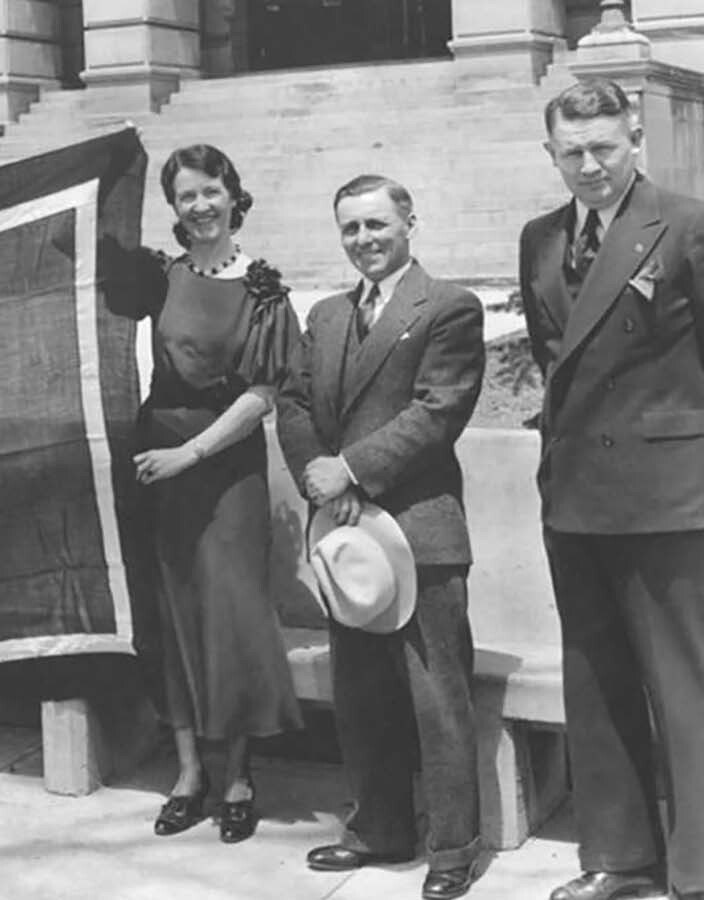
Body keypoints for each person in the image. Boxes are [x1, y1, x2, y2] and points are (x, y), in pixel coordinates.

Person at [275, 174, 485, 900]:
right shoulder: (328, 315)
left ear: (409, 223)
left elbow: (438, 411)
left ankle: (453, 846)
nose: (364, 240)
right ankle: (378, 828)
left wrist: (354, 470)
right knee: (361, 693)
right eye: (351, 229)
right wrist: (317, 477)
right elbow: (294, 402)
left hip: (418, 531)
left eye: (376, 225)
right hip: (344, 534)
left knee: (437, 697)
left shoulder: (447, 307)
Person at [520, 77, 704, 900]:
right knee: (594, 684)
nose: (589, 166)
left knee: (687, 687)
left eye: (603, 148)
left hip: (670, 493)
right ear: (550, 153)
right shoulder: (537, 238)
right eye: (572, 152)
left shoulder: (687, 223)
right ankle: (621, 860)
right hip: (577, 495)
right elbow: (552, 357)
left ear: (635, 139)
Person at [105, 144, 303, 844]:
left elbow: (262, 395)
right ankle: (189, 773)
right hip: (157, 461)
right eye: (186, 195)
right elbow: (93, 261)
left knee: (232, 612)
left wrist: (190, 453)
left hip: (221, 463)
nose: (200, 205)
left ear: (232, 193)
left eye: (211, 190)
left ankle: (240, 775)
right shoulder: (160, 277)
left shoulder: (264, 287)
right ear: (175, 208)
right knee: (175, 609)